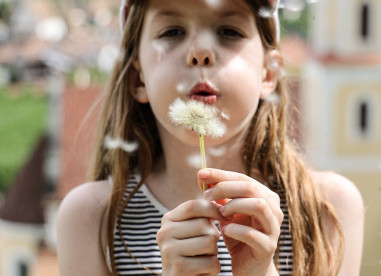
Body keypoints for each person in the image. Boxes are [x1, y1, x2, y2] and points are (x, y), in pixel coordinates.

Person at [57, 0, 364, 275]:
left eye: (229, 30)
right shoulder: (91, 217)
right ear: (138, 78)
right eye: (172, 32)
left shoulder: (325, 207)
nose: (200, 52)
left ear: (268, 73)